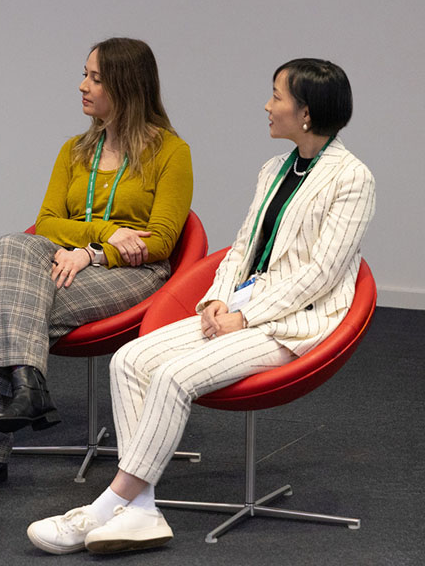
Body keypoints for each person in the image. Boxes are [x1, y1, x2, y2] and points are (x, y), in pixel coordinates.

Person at [26, 58, 375, 555]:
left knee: (173, 377)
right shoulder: (274, 168)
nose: (267, 105)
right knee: (129, 360)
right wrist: (215, 300)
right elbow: (241, 249)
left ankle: (104, 508)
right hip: (243, 304)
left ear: (306, 113)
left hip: (295, 324)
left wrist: (245, 316)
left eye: (277, 96)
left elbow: (319, 273)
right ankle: (142, 512)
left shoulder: (352, 179)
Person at [0, 38, 193, 494]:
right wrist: (100, 235)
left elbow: (161, 240)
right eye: (85, 74)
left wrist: (96, 253)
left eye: (95, 79)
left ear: (126, 86)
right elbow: (49, 223)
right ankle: (26, 383)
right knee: (12, 244)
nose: (83, 86)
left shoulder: (172, 152)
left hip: (133, 273)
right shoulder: (75, 150)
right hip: (67, 258)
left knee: (2, 310)